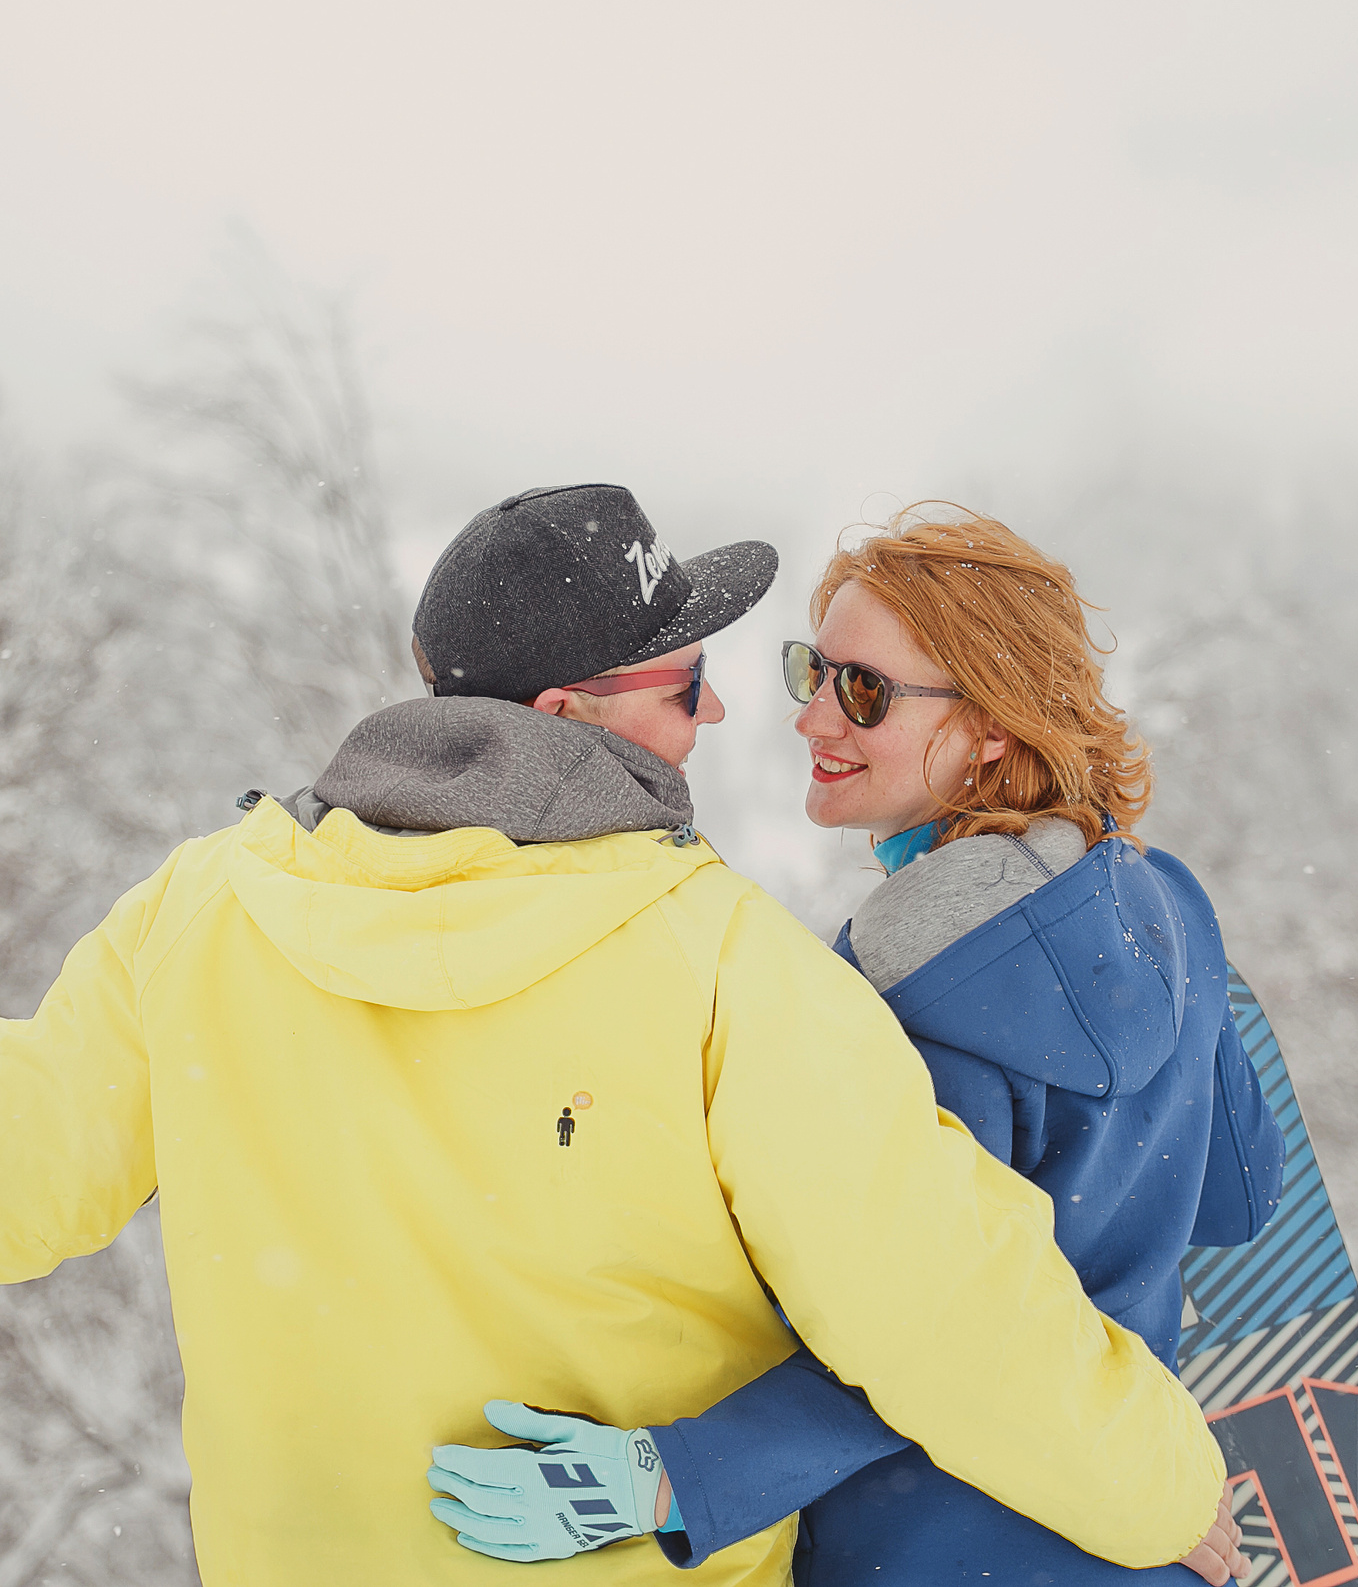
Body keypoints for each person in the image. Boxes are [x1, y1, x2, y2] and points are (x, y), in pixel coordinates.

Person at [0, 483, 1247, 1586]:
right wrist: (1167, 1488)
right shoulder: (724, 969)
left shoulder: (205, 912)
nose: (716, 719)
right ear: (569, 718)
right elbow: (944, 1314)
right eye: (688, 680)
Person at [429, 506, 1284, 1583]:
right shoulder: (1165, 905)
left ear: (994, 725)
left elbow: (915, 1338)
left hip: (938, 1541)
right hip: (1126, 1530)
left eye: (864, 691)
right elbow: (1239, 1194)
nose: (811, 717)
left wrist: (672, 1475)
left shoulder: (894, 1009)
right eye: (813, 671)